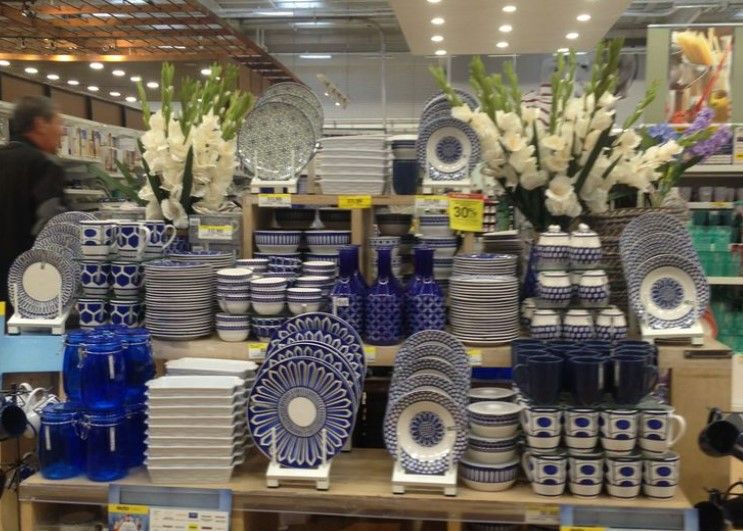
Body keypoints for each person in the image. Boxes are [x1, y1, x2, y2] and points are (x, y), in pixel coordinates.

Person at [0, 96, 66, 305]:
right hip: (27, 287)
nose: (62, 131)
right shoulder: (44, 165)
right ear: (40, 124)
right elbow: (50, 229)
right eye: (58, 122)